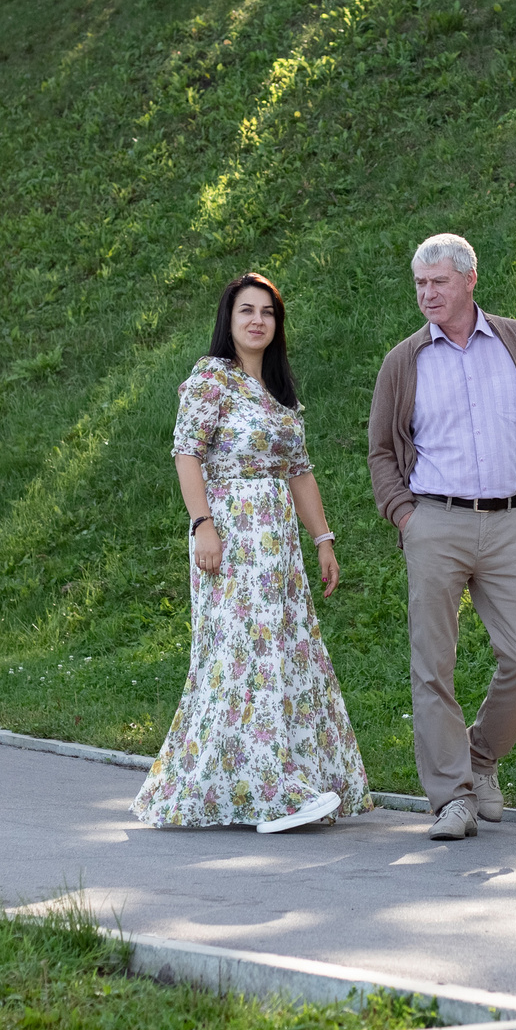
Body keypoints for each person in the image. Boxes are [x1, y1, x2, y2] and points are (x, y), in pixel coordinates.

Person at [132, 273, 370, 832]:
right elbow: (186, 454)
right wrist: (202, 525)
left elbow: (300, 471)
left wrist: (323, 539)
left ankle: (286, 780)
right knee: (242, 656)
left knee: (284, 654)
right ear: (229, 320)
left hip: (279, 548)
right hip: (233, 536)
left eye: (267, 312)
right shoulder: (211, 380)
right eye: (246, 311)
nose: (258, 320)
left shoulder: (280, 395)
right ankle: (273, 798)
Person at [368, 233, 516, 842]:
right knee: (432, 664)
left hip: (514, 521)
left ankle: (480, 756)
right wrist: (405, 515)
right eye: (419, 285)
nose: (427, 294)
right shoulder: (402, 362)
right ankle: (451, 796)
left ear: (470, 279)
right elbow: (382, 451)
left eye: (437, 282)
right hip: (435, 521)